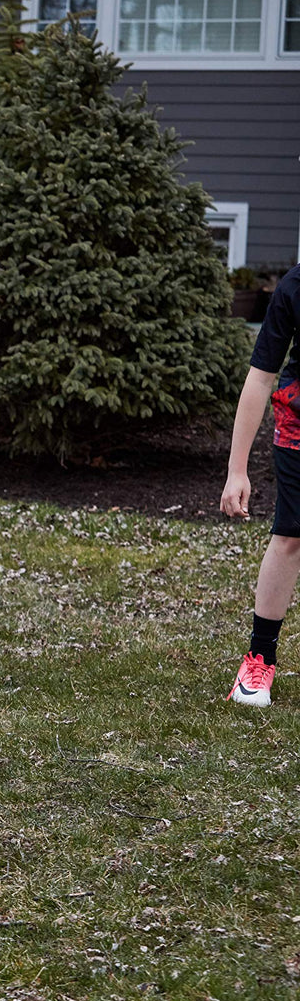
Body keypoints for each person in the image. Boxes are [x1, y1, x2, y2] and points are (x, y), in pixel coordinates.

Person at [222, 262, 300, 707]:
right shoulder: (294, 285)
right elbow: (260, 376)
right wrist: (237, 470)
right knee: (290, 536)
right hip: (298, 426)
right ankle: (258, 660)